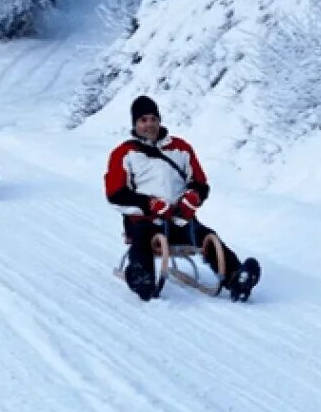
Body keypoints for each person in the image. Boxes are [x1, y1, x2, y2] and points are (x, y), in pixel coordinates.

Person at [104, 95, 262, 302]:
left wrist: (193, 197)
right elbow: (115, 194)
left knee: (207, 237)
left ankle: (236, 277)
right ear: (135, 124)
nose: (149, 124)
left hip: (180, 218)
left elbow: (200, 183)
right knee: (143, 239)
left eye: (153, 118)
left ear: (159, 120)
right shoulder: (124, 153)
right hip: (144, 221)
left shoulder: (180, 147)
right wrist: (149, 204)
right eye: (143, 120)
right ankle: (141, 276)